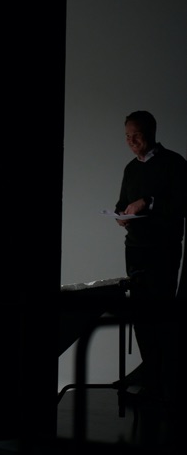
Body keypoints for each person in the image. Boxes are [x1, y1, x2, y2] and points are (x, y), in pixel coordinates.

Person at [114, 110, 187, 407]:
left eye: (137, 135)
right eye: (127, 137)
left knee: (161, 313)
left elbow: (183, 202)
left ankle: (164, 379)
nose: (131, 142)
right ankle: (150, 372)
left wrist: (150, 202)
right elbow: (122, 202)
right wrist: (121, 216)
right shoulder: (131, 168)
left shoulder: (174, 164)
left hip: (164, 248)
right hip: (136, 247)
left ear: (151, 132)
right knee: (140, 313)